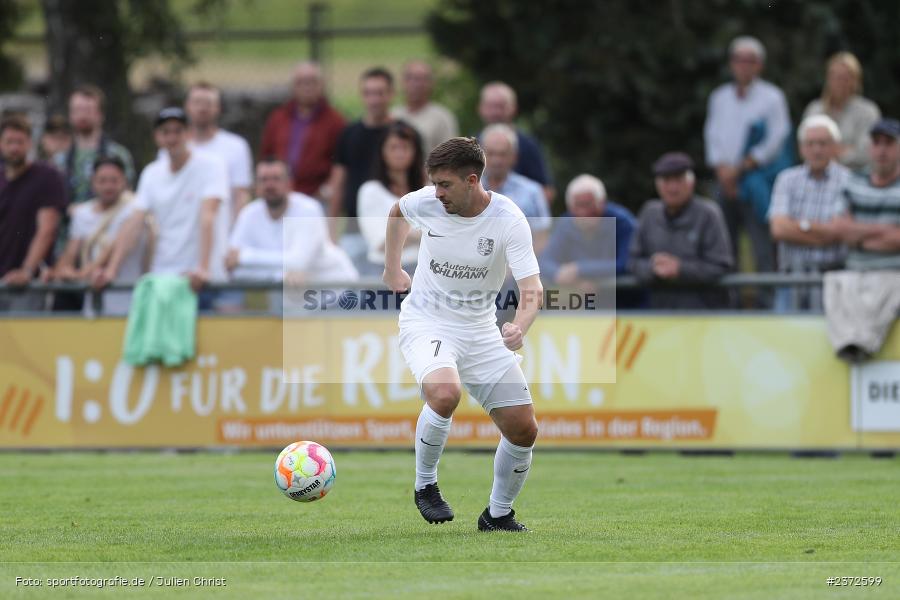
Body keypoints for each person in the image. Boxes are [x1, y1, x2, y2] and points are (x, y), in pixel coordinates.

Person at [383, 137, 541, 532]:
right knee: (444, 393)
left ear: (472, 181)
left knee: (524, 428)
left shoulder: (509, 220)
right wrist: (392, 269)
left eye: (445, 185)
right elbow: (398, 211)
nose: (436, 193)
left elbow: (532, 289)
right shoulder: (428, 202)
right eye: (433, 183)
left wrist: (519, 327)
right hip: (427, 321)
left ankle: (498, 514)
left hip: (480, 329)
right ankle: (425, 486)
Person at [95, 108, 229, 305]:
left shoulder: (212, 165)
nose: (172, 137)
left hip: (200, 281)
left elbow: (208, 215)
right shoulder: (152, 173)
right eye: (166, 132)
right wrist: (111, 270)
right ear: (157, 137)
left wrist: (203, 267)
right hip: (163, 278)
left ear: (189, 133)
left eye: (178, 131)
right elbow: (134, 222)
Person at [704, 36, 792, 305]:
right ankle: (728, 304)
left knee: (762, 246)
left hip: (756, 182)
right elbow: (712, 136)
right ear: (732, 64)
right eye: (738, 60)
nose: (743, 66)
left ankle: (767, 306)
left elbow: (777, 139)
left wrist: (741, 168)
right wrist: (723, 170)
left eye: (749, 61)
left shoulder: (772, 97)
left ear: (759, 65)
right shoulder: (719, 97)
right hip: (724, 181)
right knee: (723, 247)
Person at [227, 159, 357, 312]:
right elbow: (233, 268)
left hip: (338, 297)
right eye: (263, 180)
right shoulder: (248, 214)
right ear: (255, 186)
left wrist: (244, 257)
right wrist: (280, 275)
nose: (269, 185)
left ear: (290, 183)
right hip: (289, 304)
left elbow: (298, 262)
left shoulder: (308, 209)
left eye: (276, 179)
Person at [825, 118, 900, 362]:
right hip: (854, 272)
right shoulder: (852, 181)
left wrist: (858, 235)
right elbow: (838, 229)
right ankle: (856, 346)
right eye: (876, 143)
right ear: (869, 148)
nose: (882, 149)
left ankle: (861, 345)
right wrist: (885, 230)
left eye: (889, 143)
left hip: (893, 273)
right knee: (835, 284)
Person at [629, 153, 734, 310]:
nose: (672, 187)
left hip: (705, 316)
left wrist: (680, 269)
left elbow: (721, 266)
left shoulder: (709, 214)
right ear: (657, 184)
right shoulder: (649, 213)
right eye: (666, 181)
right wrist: (653, 268)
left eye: (679, 180)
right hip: (659, 316)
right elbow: (633, 261)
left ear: (691, 183)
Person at [768, 115, 850, 312]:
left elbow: (842, 231)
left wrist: (797, 227)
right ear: (801, 148)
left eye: (823, 143)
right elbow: (778, 229)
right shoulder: (786, 179)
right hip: (791, 278)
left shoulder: (850, 180)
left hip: (834, 279)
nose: (816, 149)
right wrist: (824, 233)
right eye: (810, 143)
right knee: (784, 339)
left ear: (835, 147)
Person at [50, 156, 149, 315]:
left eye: (114, 180)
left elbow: (119, 244)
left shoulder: (136, 209)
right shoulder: (82, 214)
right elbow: (67, 259)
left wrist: (87, 273)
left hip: (131, 305)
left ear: (124, 181)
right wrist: (74, 275)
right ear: (93, 182)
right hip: (94, 308)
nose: (108, 186)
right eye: (102, 181)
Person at [0, 114, 67, 311]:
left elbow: (47, 229)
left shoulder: (47, 176)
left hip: (28, 285)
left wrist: (27, 271)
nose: (14, 148)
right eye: (9, 142)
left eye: (20, 142)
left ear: (30, 143)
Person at [539, 174, 635, 308]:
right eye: (578, 205)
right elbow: (544, 261)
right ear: (570, 207)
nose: (584, 212)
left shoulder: (623, 222)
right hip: (581, 304)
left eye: (588, 204)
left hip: (624, 304)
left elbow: (626, 263)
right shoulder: (565, 223)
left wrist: (579, 269)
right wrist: (569, 279)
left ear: (602, 203)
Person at [328, 68, 395, 247]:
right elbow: (338, 184)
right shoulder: (349, 134)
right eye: (368, 93)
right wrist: (331, 232)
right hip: (354, 227)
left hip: (393, 228)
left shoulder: (402, 134)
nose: (373, 100)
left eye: (379, 93)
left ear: (390, 95)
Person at [260, 61, 345, 197]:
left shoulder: (335, 121)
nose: (307, 87)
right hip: (281, 193)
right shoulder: (278, 118)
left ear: (321, 85)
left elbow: (341, 163)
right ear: (293, 86)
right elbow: (266, 154)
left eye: (312, 82)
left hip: (316, 195)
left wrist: (327, 190)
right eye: (301, 82)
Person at [357, 121, 424, 276]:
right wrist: (423, 232)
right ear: (382, 152)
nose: (399, 153)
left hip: (425, 271)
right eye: (394, 147)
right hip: (384, 272)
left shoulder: (430, 189)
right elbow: (380, 243)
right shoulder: (370, 191)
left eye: (405, 147)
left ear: (416, 152)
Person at [184, 82, 254, 220]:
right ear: (187, 106)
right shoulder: (174, 148)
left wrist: (235, 235)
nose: (202, 108)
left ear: (218, 108)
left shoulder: (236, 146)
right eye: (197, 102)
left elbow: (241, 195)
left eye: (208, 103)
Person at [55, 85, 135, 205]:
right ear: (70, 115)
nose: (82, 116)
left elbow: (127, 197)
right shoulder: (59, 159)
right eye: (77, 110)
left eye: (88, 110)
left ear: (101, 115)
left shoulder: (118, 154)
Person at [802, 52, 881, 173]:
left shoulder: (868, 111)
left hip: (856, 175)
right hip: (817, 174)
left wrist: (829, 152)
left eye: (846, 77)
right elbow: (804, 146)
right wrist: (844, 150)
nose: (840, 82)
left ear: (856, 81)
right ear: (827, 79)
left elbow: (867, 152)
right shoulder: (814, 109)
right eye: (835, 77)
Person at [478, 81, 554, 203]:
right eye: (491, 106)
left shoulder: (528, 145)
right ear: (481, 109)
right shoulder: (471, 144)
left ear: (513, 108)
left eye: (501, 106)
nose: (495, 112)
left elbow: (546, 190)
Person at [481, 123, 551, 254]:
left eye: (502, 154)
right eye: (491, 154)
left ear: (514, 157)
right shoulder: (468, 189)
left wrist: (516, 268)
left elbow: (541, 238)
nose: (496, 161)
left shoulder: (532, 192)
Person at [391, 60, 459, 153]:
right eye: (410, 78)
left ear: (431, 84)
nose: (416, 84)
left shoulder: (443, 118)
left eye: (422, 79)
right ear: (403, 82)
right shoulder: (393, 115)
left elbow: (451, 157)